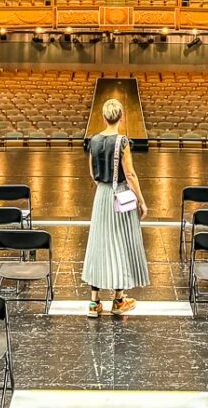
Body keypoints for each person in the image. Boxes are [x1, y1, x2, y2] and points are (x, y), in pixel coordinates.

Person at [81, 98, 150, 317]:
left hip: (101, 195)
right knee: (119, 242)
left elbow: (92, 173)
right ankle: (119, 300)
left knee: (99, 244)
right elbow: (129, 174)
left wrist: (103, 187)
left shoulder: (93, 141)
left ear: (103, 117)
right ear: (121, 117)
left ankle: (94, 303)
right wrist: (141, 200)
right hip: (119, 194)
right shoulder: (122, 142)